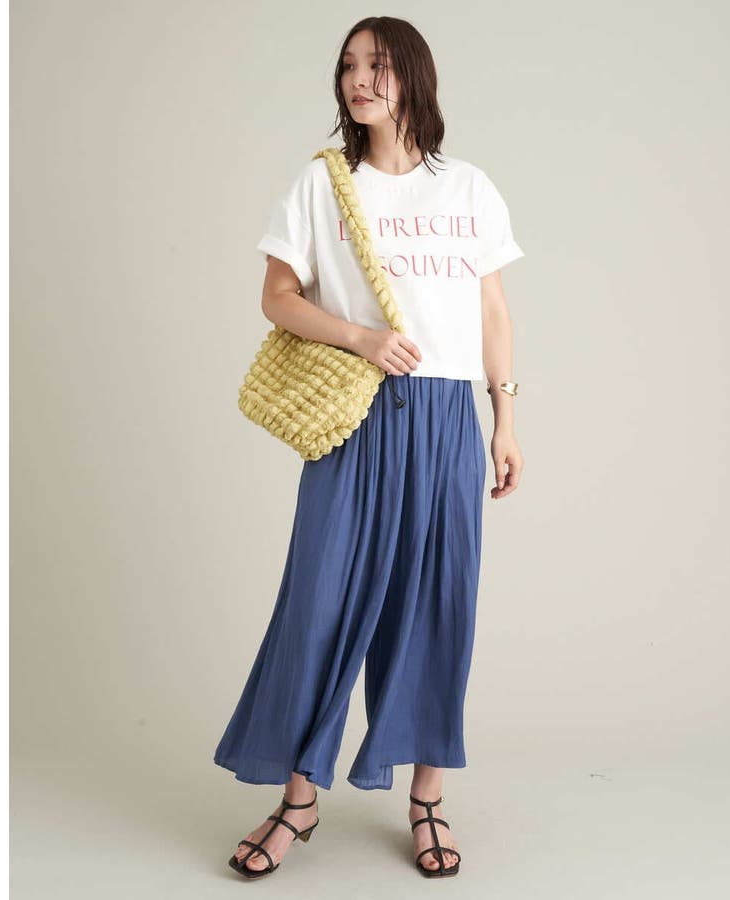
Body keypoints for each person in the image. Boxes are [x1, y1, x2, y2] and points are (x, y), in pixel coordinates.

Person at [214, 15, 525, 879]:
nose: (359, 79)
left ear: (413, 76)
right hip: (357, 416)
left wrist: (504, 421)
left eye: (378, 65)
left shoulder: (468, 188)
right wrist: (359, 338)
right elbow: (278, 297)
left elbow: (492, 311)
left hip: (447, 420)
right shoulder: (323, 185)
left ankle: (426, 798)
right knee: (319, 602)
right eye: (349, 65)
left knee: (438, 604)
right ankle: (298, 799)